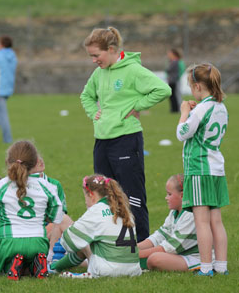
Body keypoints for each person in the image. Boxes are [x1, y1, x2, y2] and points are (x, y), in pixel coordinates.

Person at [80, 26, 171, 242]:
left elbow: (163, 90)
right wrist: (96, 114)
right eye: (91, 56)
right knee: (103, 194)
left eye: (96, 55)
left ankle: (139, 246)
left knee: (132, 196)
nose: (94, 60)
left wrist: (137, 106)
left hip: (127, 139)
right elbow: (86, 96)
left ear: (111, 49)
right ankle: (111, 241)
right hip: (102, 141)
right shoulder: (99, 73)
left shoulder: (132, 70)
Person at [176, 63, 229, 276]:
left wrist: (184, 112)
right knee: (216, 220)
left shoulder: (202, 109)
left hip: (199, 170)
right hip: (217, 169)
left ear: (198, 86)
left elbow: (182, 133)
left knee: (201, 222)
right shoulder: (220, 106)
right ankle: (221, 266)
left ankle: (206, 268)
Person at [0, 140, 64, 280]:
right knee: (31, 254)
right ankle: (35, 264)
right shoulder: (47, 186)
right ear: (35, 163)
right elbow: (56, 218)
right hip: (38, 242)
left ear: (8, 161)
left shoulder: (1, 186)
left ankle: (13, 266)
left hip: (9, 243)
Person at [50, 175, 141, 278]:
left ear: (91, 195)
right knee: (85, 240)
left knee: (80, 240)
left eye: (85, 196)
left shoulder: (96, 211)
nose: (85, 201)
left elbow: (68, 241)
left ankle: (53, 266)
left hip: (108, 270)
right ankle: (56, 267)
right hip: (133, 269)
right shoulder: (123, 209)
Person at [138, 174, 201, 271]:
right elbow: (160, 236)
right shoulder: (174, 212)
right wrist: (134, 248)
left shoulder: (190, 215)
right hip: (179, 255)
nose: (166, 198)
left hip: (195, 258)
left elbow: (169, 248)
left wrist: (136, 254)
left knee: (155, 259)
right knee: (150, 257)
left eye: (169, 194)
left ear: (182, 195)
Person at [29, 155, 73, 262]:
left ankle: (52, 256)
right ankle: (52, 257)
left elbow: (61, 214)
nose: (40, 161)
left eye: (41, 158)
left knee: (61, 220)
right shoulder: (21, 185)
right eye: (35, 160)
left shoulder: (54, 184)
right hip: (30, 231)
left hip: (51, 230)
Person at [166, 48, 183, 113]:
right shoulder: (172, 61)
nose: (168, 55)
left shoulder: (176, 62)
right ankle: (174, 109)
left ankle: (177, 109)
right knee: (172, 96)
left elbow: (168, 70)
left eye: (170, 54)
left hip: (174, 81)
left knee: (176, 95)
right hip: (171, 81)